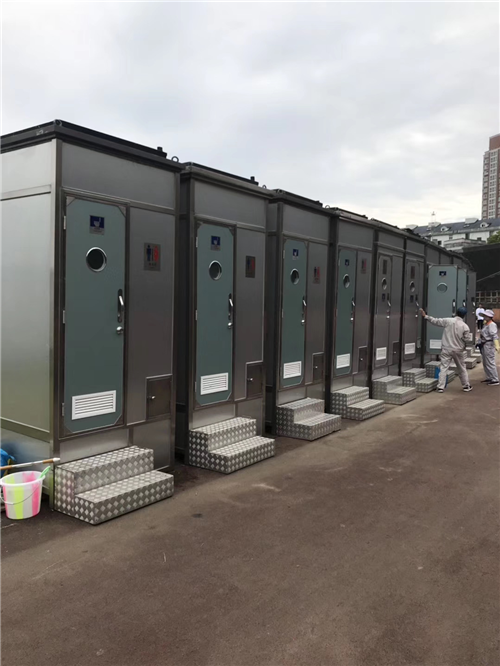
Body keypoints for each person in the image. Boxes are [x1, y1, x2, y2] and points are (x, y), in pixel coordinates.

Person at [420, 306, 472, 393]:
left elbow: (436, 321)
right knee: (462, 368)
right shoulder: (465, 326)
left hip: (446, 348)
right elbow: (467, 339)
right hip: (458, 350)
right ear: (464, 315)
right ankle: (466, 386)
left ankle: (440, 387)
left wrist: (425, 316)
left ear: (456, 313)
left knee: (443, 368)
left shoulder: (448, 321)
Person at [479, 309, 499, 386]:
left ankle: (495, 379)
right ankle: (489, 377)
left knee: (490, 362)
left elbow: (494, 336)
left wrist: (497, 345)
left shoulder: (492, 325)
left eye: (486, 316)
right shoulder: (486, 324)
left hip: (489, 344)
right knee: (485, 362)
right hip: (484, 344)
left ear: (489, 317)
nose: (484, 317)